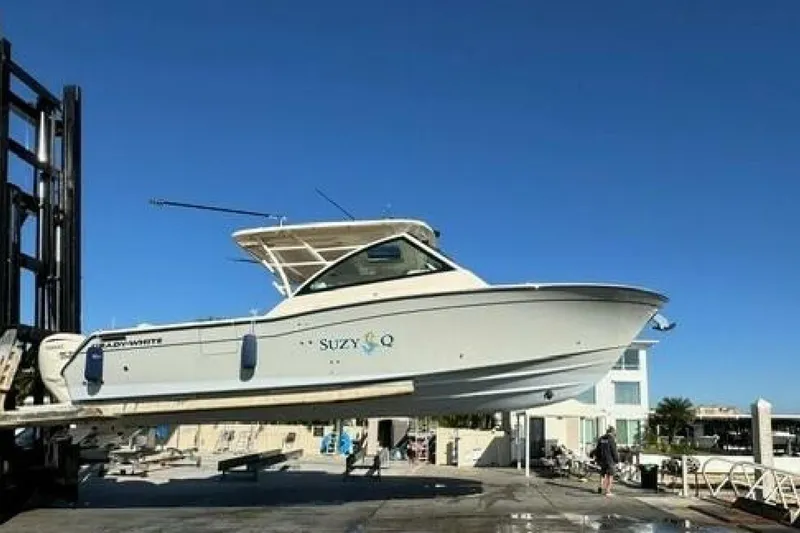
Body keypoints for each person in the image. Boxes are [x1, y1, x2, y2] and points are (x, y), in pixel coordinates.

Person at [590, 426, 620, 496]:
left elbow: (597, 449)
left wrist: (597, 459)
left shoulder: (601, 439)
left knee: (603, 474)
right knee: (610, 475)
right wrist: (617, 460)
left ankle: (600, 487)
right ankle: (608, 491)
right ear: (612, 432)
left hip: (602, 460)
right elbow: (614, 450)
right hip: (610, 460)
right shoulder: (611, 439)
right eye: (614, 433)